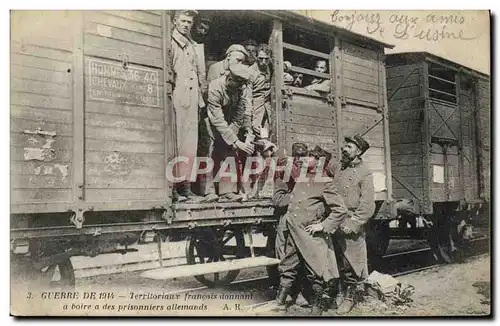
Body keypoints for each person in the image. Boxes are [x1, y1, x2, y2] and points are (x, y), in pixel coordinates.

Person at [272, 145, 349, 315]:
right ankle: (279, 302)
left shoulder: (325, 182)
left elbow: (340, 210)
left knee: (316, 270)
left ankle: (318, 307)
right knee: (287, 265)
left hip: (310, 234)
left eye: (311, 158)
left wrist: (323, 226)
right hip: (293, 231)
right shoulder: (301, 177)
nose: (305, 160)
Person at [316, 134, 376, 314]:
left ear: (358, 152)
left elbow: (367, 204)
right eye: (345, 146)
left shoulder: (364, 173)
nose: (344, 149)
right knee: (334, 262)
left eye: (349, 147)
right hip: (334, 220)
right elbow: (326, 162)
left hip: (349, 223)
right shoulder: (340, 166)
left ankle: (350, 297)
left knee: (350, 264)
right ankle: (336, 295)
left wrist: (354, 223)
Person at [170, 10, 208, 202]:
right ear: (175, 21)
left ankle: (186, 186)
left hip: (192, 99)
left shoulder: (192, 45)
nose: (186, 25)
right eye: (183, 21)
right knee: (177, 143)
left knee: (190, 144)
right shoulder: (171, 42)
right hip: (179, 96)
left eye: (189, 22)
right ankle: (175, 187)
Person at [205, 63, 255, 202]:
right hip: (210, 120)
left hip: (228, 121)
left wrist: (232, 141)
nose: (238, 89)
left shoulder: (241, 90)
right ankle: (208, 191)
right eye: (236, 85)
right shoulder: (215, 87)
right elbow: (217, 119)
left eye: (241, 86)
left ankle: (227, 191)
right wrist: (236, 141)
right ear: (229, 78)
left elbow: (238, 117)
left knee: (230, 151)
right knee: (210, 151)